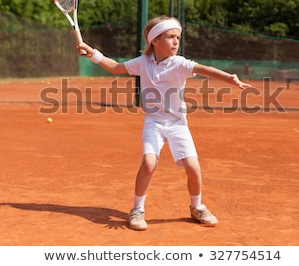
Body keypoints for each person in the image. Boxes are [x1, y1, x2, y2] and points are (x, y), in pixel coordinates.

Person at [77, 15, 251, 231]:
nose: (176, 41)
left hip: (178, 124)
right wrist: (92, 53)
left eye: (178, 37)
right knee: (149, 162)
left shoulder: (180, 63)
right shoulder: (143, 63)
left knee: (193, 167)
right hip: (154, 122)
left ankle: (197, 207)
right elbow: (115, 67)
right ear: (155, 41)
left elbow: (204, 69)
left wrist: (230, 78)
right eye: (170, 37)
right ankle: (137, 210)